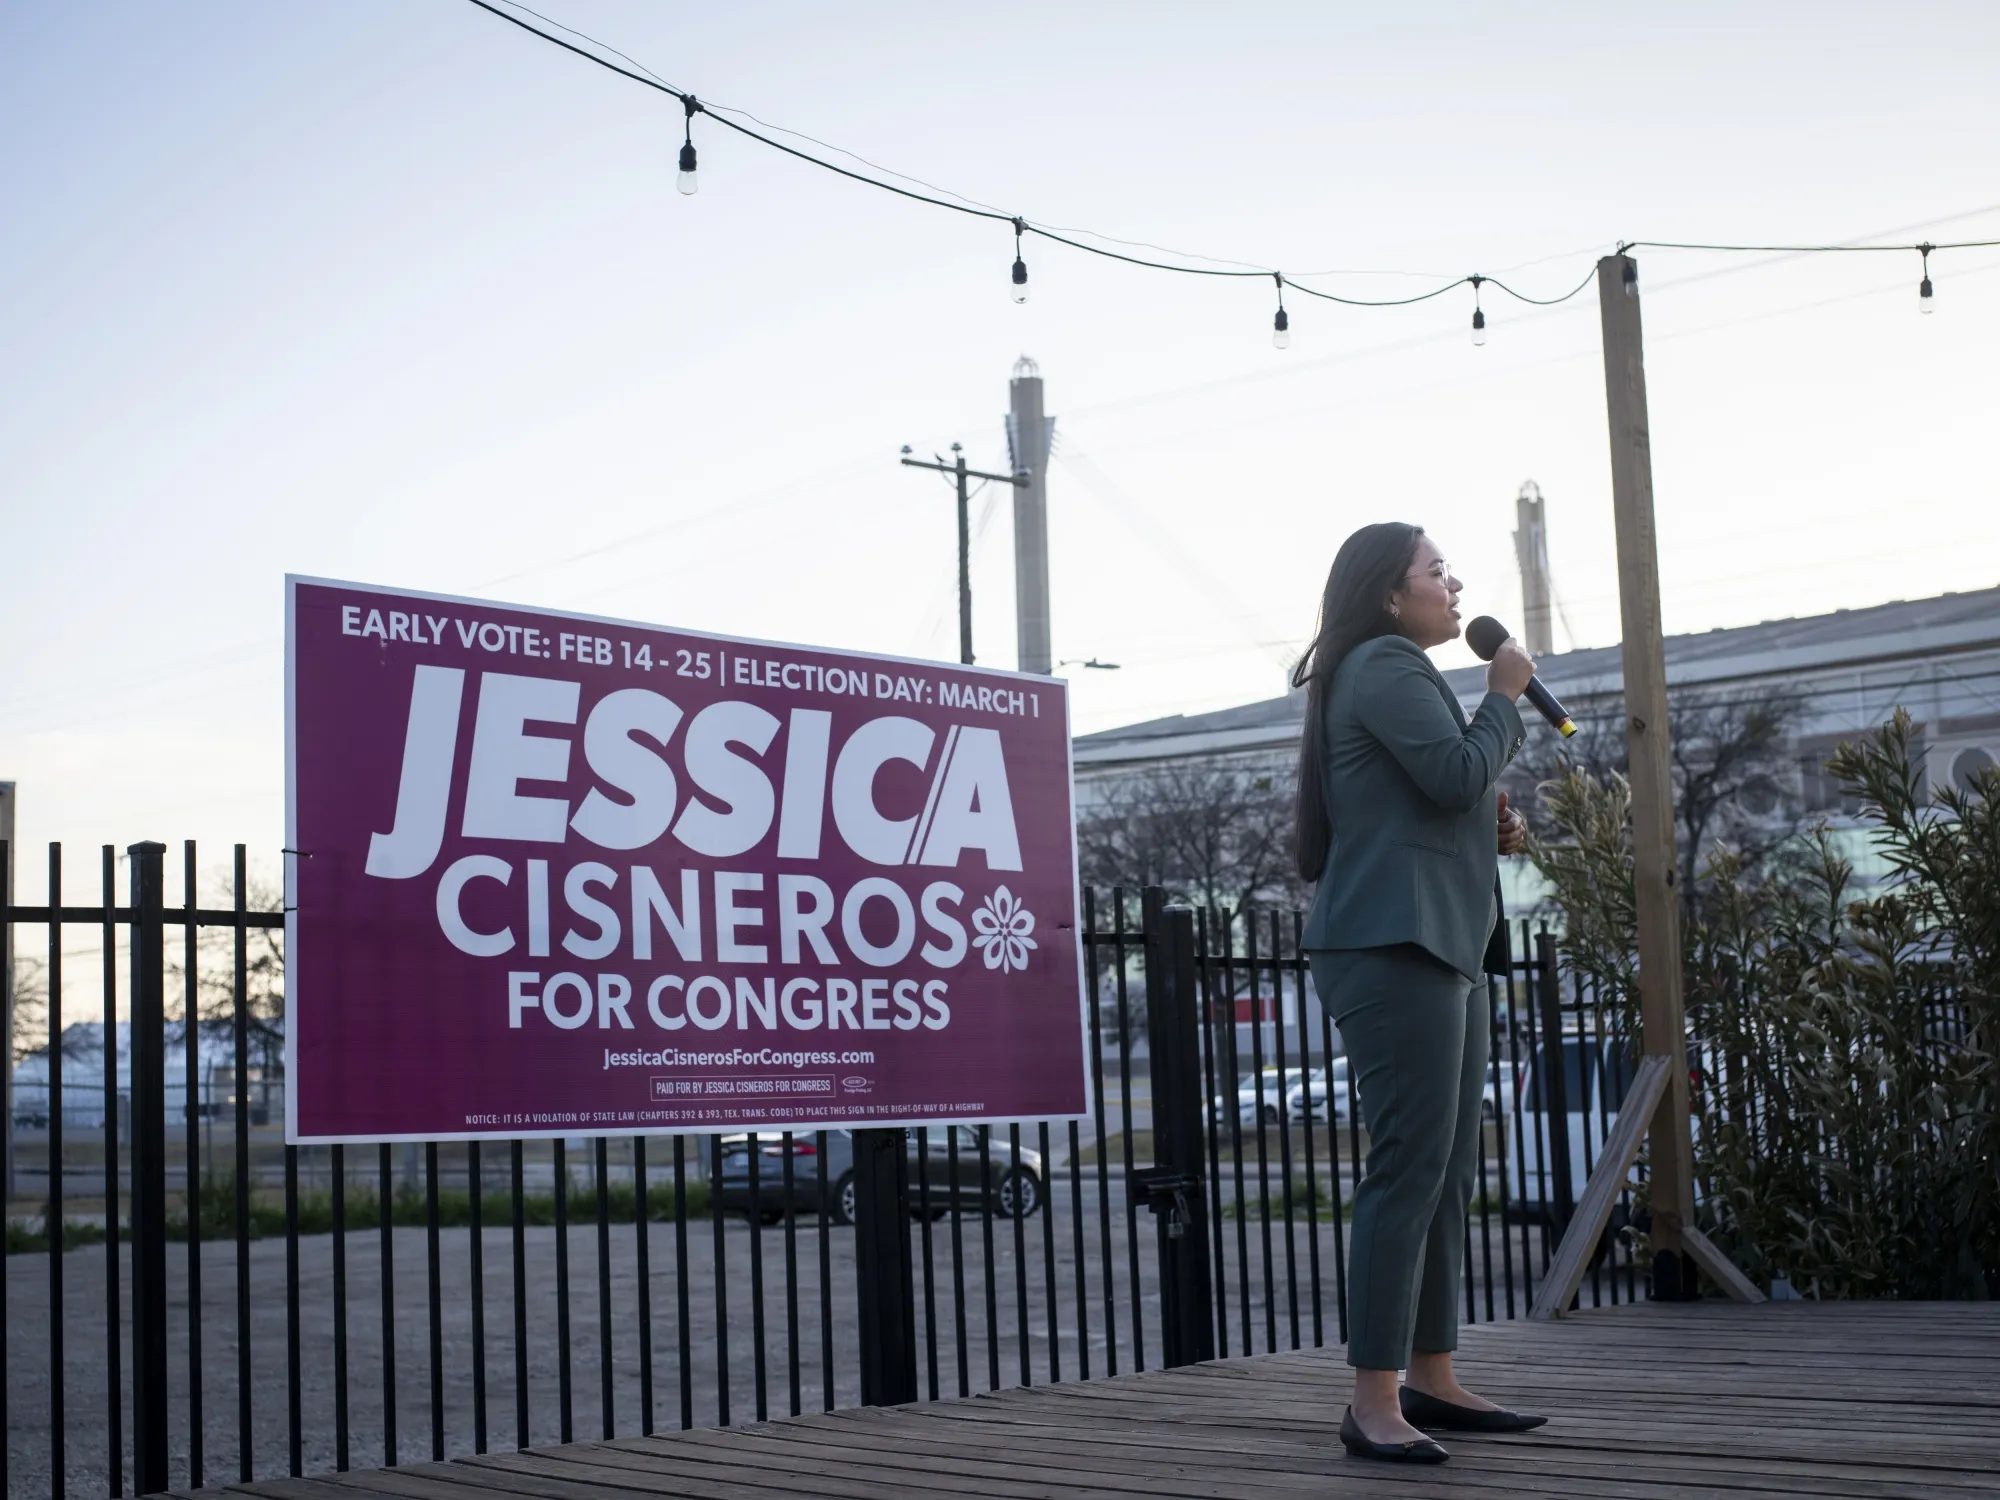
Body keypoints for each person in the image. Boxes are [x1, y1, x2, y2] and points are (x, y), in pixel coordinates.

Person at [1291, 522, 1546, 1464]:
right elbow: (1452, 773)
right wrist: (1504, 697)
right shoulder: (1386, 663)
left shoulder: (1398, 671)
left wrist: (1493, 823)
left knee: (1446, 1171)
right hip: (1393, 943)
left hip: (1443, 940)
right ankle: (1373, 1399)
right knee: (1407, 1168)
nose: (1455, 585)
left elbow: (1446, 793)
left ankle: (1433, 1377)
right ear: (1390, 596)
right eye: (1436, 571)